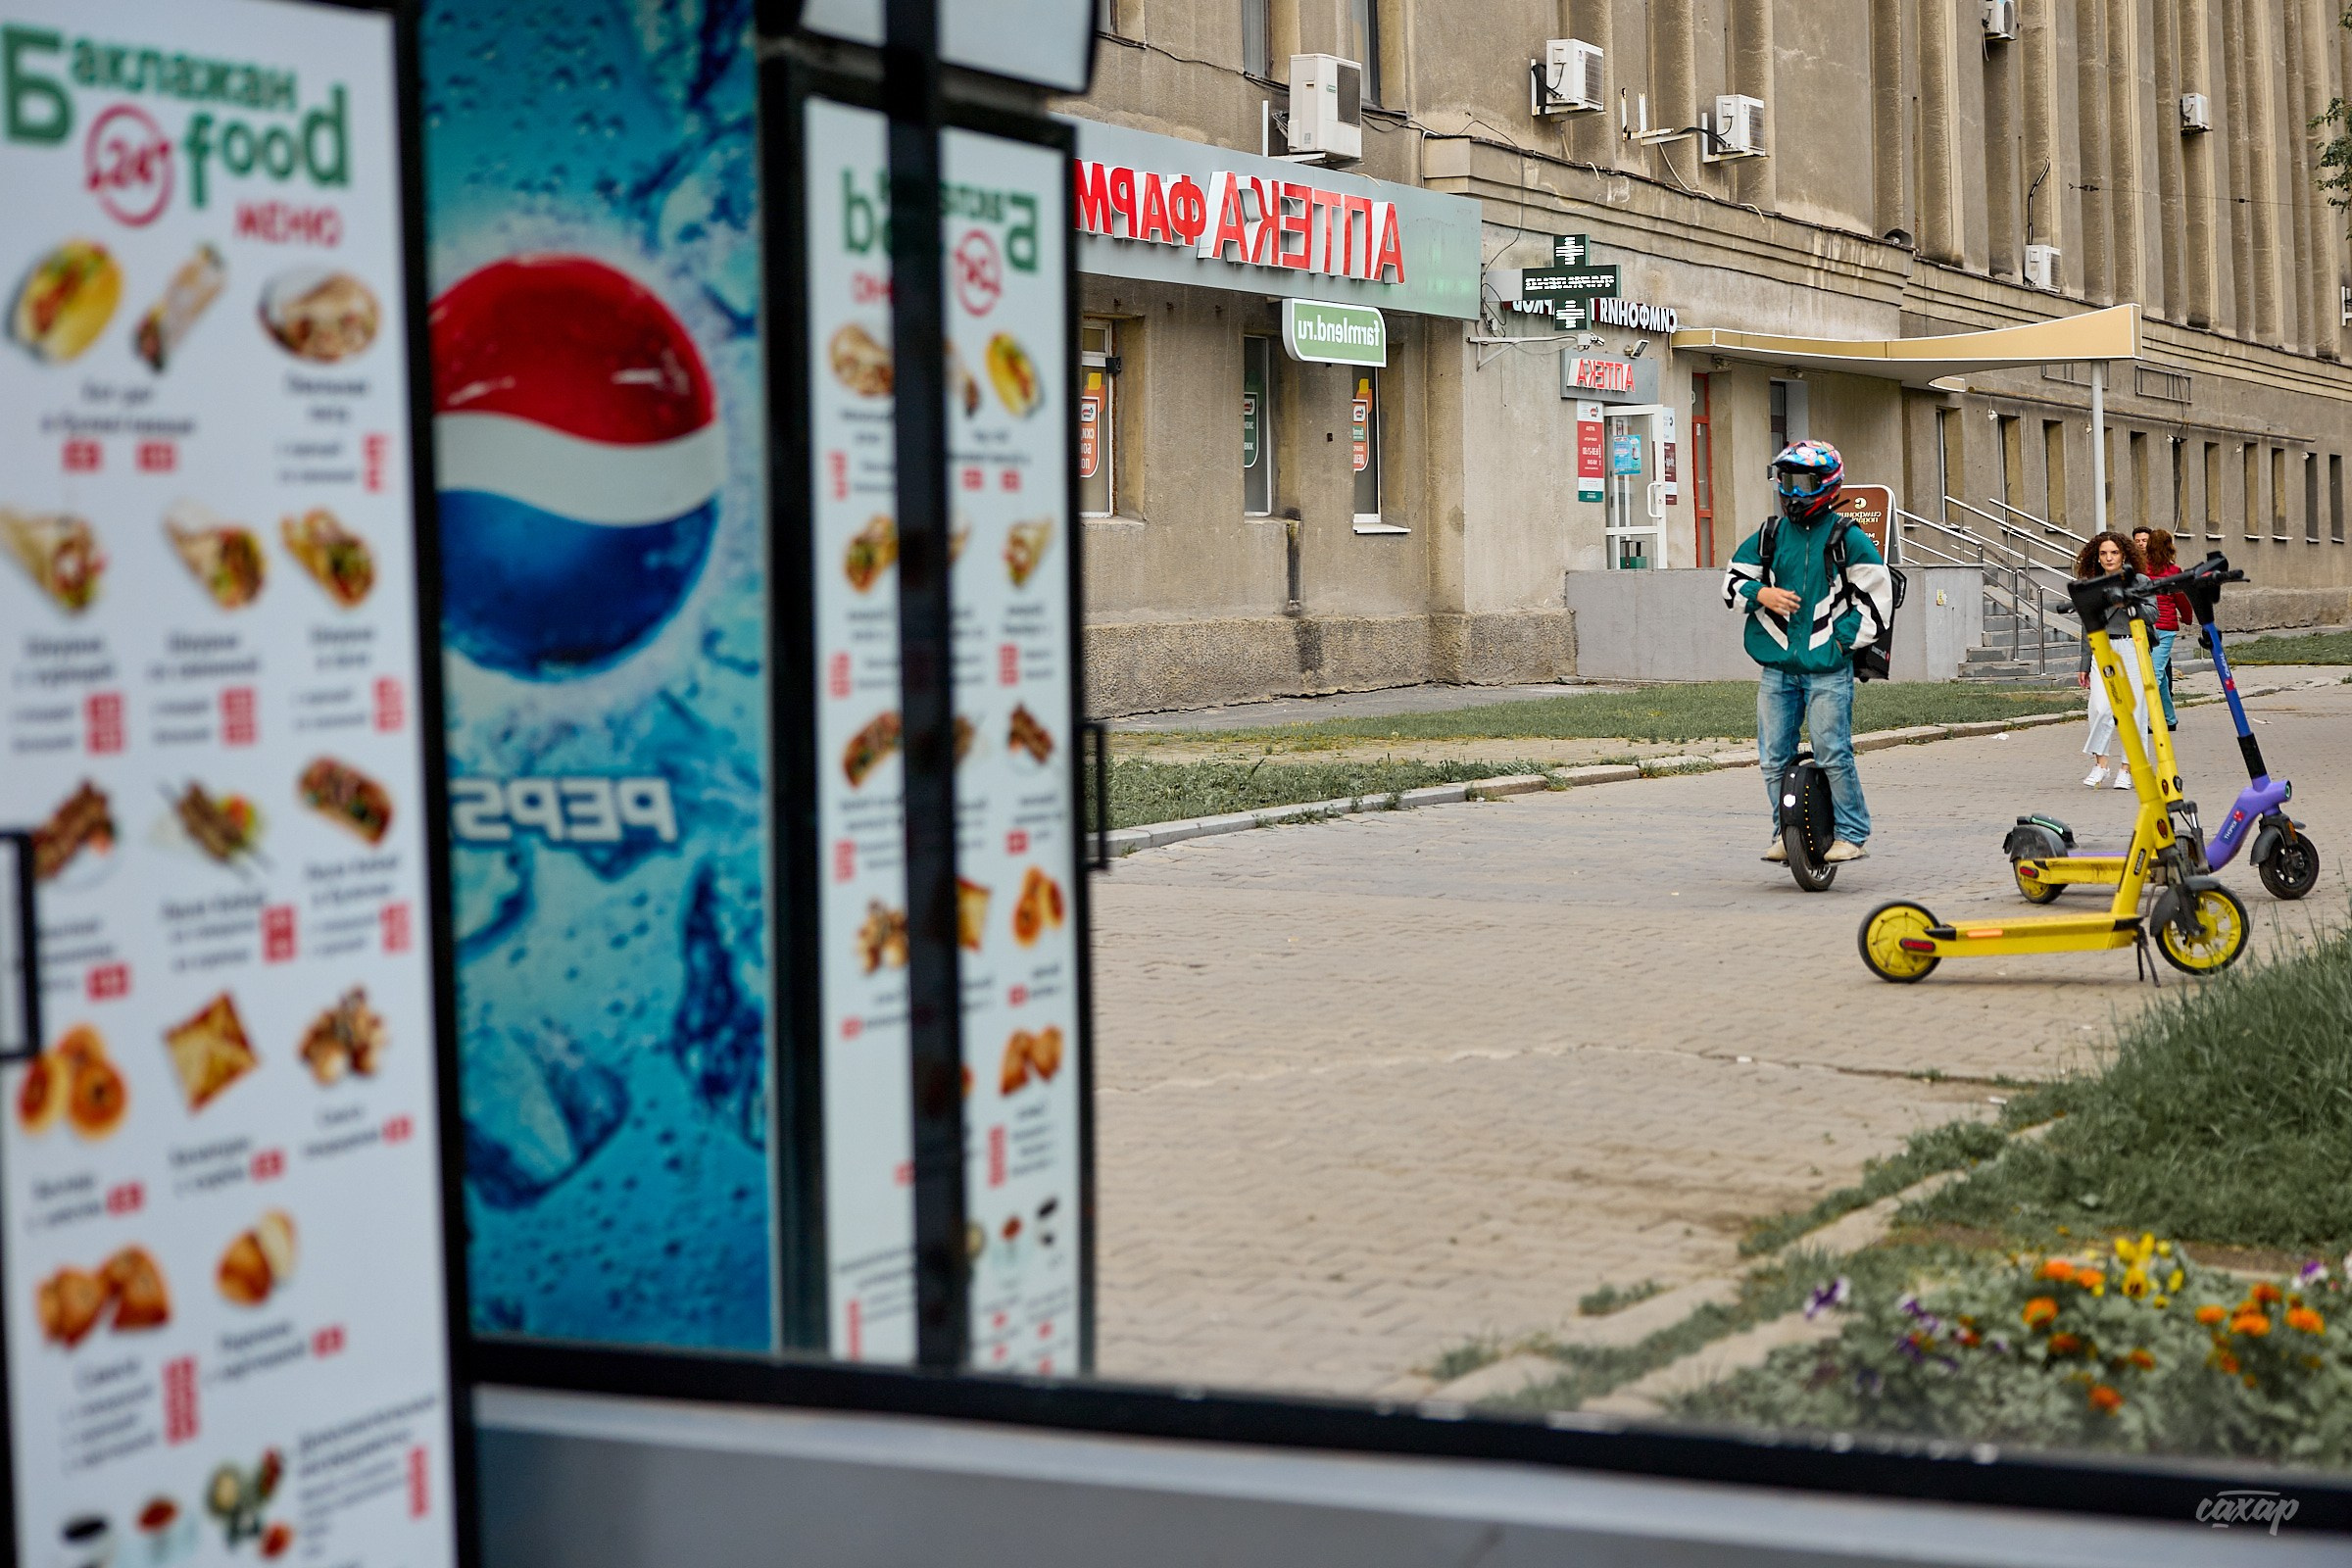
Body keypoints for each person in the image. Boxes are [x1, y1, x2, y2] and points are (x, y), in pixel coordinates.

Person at [1722, 439, 1893, 864]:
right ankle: (1785, 833)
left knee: (1834, 754)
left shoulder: (1847, 538)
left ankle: (1852, 834)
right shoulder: (1769, 535)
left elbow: (1878, 600)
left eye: (1806, 482)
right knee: (1771, 760)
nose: (1795, 492)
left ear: (1829, 484)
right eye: (1787, 480)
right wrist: (1762, 592)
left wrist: (1839, 641)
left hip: (1827, 669)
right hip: (1777, 668)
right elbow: (1730, 584)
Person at [2075, 530, 2155, 788]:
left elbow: (2153, 614)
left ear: (2124, 555)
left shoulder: (2138, 580)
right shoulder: (2091, 584)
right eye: (2103, 554)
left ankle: (2127, 769)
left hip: (2133, 647)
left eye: (2114, 553)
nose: (2109, 558)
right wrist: (2084, 663)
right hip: (2103, 649)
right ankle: (2101, 765)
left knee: (2135, 712)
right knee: (2100, 707)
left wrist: (2128, 604)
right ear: (2096, 558)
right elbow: (2088, 625)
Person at [2133, 526, 2191, 731]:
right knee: (2158, 675)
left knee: (2155, 674)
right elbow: (2182, 599)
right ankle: (2167, 719)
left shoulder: (2140, 571)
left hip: (2145, 626)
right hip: (2165, 627)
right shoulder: (2174, 572)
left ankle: (2151, 719)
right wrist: (2187, 617)